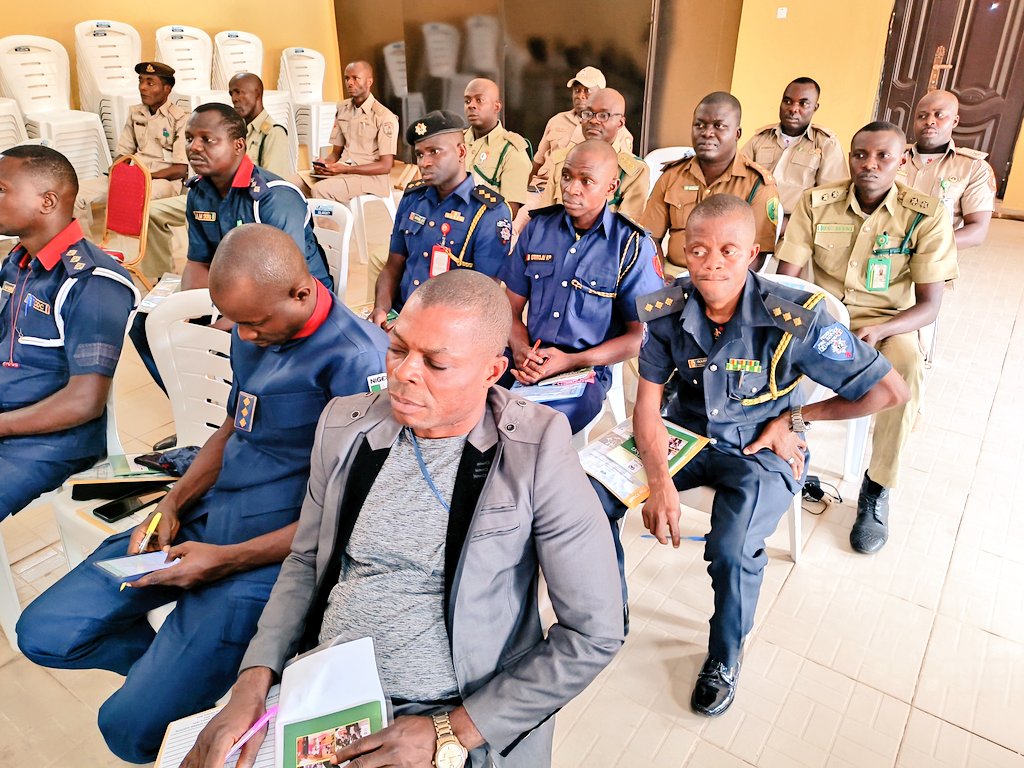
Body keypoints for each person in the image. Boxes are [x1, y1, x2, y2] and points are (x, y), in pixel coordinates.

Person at [179, 269, 624, 768]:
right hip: (327, 696)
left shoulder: (535, 451)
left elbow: (593, 633)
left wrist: (448, 731)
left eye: (436, 363)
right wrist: (253, 681)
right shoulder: (347, 426)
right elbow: (305, 561)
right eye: (398, 349)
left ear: (491, 371)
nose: (404, 372)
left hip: (455, 707)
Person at [17, 224, 389, 764]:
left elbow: (349, 515)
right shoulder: (253, 327)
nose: (245, 336)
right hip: (208, 516)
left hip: (268, 559)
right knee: (45, 633)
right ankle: (178, 679)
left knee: (125, 729)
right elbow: (234, 427)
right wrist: (173, 503)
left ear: (302, 292)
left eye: (255, 324)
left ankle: (179, 681)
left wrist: (222, 562)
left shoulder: (357, 362)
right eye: (237, 323)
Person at [593, 194, 908, 716]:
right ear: (681, 252)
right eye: (698, 250)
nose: (712, 262)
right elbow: (646, 409)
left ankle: (724, 656)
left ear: (754, 254)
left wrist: (797, 420)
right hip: (684, 433)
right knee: (588, 492)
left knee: (733, 547)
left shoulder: (796, 320)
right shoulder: (667, 310)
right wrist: (660, 482)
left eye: (728, 250)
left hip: (760, 448)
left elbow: (888, 391)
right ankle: (606, 612)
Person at [776, 121, 958, 554]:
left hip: (887, 321)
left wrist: (881, 330)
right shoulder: (816, 203)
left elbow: (929, 306)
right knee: (768, 352)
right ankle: (780, 451)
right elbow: (788, 279)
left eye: (883, 157)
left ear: (902, 161)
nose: (870, 165)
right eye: (861, 155)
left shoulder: (926, 214)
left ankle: (877, 487)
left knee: (907, 369)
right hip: (822, 318)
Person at [129, 103, 333, 394]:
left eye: (207, 140)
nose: (194, 147)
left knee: (231, 339)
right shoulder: (199, 191)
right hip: (234, 293)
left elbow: (285, 282)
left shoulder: (273, 197)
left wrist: (225, 323)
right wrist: (191, 314)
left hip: (288, 297)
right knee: (147, 324)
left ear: (238, 145)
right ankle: (197, 406)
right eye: (189, 139)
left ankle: (238, 415)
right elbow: (200, 262)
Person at [0, 145, 138, 520]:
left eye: (1, 189)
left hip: (46, 442)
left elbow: (84, 402)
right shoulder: (18, 263)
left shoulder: (91, 284)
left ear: (47, 201)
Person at [503, 140, 661, 434]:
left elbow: (638, 337)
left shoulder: (630, 246)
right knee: (468, 394)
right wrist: (521, 348)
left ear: (611, 188)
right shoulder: (538, 229)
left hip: (583, 371)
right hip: (526, 355)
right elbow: (508, 308)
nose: (572, 188)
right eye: (566, 176)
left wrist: (570, 361)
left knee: (534, 428)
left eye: (586, 181)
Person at [141, 73, 292, 281]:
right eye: (231, 93)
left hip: (247, 202)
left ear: (258, 94)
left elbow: (273, 185)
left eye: (240, 92)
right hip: (216, 195)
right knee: (152, 212)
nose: (235, 98)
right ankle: (160, 278)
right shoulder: (231, 127)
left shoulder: (272, 133)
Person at [371, 110, 513, 327]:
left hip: (447, 328)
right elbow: (393, 266)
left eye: (434, 152)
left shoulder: (488, 212)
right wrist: (381, 310)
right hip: (400, 316)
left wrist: (416, 328)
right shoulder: (412, 199)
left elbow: (485, 298)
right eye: (419, 154)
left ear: (461, 151)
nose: (424, 162)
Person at [641, 92, 780, 276]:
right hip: (672, 276)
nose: (707, 133)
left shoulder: (758, 184)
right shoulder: (672, 175)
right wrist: (659, 277)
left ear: (737, 133)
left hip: (727, 280)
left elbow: (757, 254)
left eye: (719, 126)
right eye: (699, 125)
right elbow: (650, 240)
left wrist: (723, 288)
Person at [75, 61, 188, 234]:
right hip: (131, 176)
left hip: (162, 182)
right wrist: (118, 168)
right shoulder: (136, 113)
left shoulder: (180, 119)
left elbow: (180, 169)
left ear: (167, 89)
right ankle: (87, 251)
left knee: (132, 197)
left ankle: (133, 252)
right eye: (141, 81)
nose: (142, 87)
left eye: (150, 83)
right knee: (76, 193)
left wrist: (144, 176)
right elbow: (124, 153)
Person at [740, 77, 847, 225]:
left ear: (815, 107)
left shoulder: (826, 143)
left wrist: (793, 224)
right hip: (752, 221)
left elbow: (833, 195)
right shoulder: (760, 139)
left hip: (797, 226)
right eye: (788, 101)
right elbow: (737, 178)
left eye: (803, 103)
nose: (793, 109)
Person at [901, 89, 996, 249]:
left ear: (955, 121)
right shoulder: (891, 157)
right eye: (922, 116)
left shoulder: (974, 168)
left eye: (939, 115)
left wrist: (922, 246)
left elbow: (977, 230)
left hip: (933, 255)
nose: (929, 121)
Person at [537, 88, 649, 220]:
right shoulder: (562, 160)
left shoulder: (634, 172)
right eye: (588, 113)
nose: (593, 121)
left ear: (620, 123)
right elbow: (544, 217)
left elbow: (626, 230)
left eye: (603, 115)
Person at [302, 60, 399, 204]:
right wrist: (324, 164)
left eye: (355, 78)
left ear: (369, 82)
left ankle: (329, 227)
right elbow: (335, 154)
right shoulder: (343, 109)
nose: (349, 82)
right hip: (344, 171)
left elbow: (385, 166)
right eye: (347, 78)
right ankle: (307, 227)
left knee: (320, 190)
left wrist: (345, 170)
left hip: (370, 179)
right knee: (295, 184)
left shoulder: (384, 117)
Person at [530, 66, 634, 187]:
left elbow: (621, 175)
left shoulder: (616, 131)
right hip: (541, 187)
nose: (580, 96)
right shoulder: (557, 120)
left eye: (587, 90)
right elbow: (537, 162)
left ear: (601, 94)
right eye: (577, 90)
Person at [463, 77, 531, 217]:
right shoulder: (456, 142)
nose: (471, 105)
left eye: (479, 100)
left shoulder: (511, 151)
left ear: (497, 107)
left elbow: (509, 212)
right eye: (467, 101)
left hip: (483, 227)